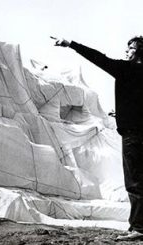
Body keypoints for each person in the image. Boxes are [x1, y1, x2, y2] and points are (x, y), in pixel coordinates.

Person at [53, 36, 143, 241]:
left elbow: (98, 58)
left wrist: (71, 44)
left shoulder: (126, 70)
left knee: (135, 182)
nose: (127, 51)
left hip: (132, 135)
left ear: (138, 52)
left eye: (130, 48)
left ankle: (139, 228)